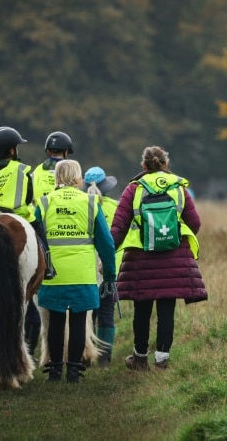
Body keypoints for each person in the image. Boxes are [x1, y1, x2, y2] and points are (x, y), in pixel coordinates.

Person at [110, 146, 207, 370]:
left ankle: (140, 357)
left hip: (140, 260)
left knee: (141, 310)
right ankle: (162, 360)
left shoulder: (133, 189)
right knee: (167, 311)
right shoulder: (178, 188)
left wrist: (106, 253)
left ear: (143, 165)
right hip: (173, 258)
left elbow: (119, 227)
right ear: (165, 164)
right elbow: (195, 223)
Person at [36, 160, 116, 383]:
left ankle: (54, 371)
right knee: (79, 320)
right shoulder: (90, 202)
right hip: (82, 273)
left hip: (53, 274)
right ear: (78, 179)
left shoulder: (44, 202)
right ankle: (73, 371)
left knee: (56, 321)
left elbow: (35, 240)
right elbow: (107, 244)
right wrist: (109, 275)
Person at [0, 126, 56, 282]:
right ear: (10, 151)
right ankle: (48, 265)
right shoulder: (20, 169)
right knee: (39, 231)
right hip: (17, 214)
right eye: (16, 147)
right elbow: (28, 197)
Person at [84, 165, 121, 366]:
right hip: (106, 266)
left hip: (84, 268)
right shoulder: (116, 207)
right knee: (106, 312)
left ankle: (84, 356)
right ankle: (104, 359)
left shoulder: (81, 205)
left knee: (84, 312)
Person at [30, 131, 74, 203]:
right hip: (61, 211)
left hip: (37, 211)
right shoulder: (71, 170)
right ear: (66, 152)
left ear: (48, 151)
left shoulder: (37, 170)